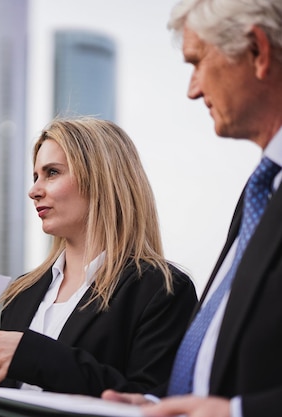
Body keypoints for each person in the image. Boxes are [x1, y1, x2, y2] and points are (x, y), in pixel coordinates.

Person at [0, 117, 198, 417]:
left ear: (101, 177)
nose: (34, 191)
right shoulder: (23, 293)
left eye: (52, 173)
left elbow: (152, 405)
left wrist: (31, 355)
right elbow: (6, 405)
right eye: (35, 176)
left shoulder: (161, 289)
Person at [101, 1, 282, 416]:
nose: (193, 89)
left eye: (197, 62)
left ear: (258, 51)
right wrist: (159, 401)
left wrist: (238, 413)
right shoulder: (260, 190)